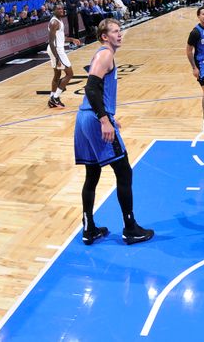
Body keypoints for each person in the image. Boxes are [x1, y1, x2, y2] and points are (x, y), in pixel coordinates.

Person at [74, 18, 154, 245]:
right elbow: (90, 87)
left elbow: (98, 90)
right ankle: (130, 228)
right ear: (104, 36)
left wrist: (109, 116)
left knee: (93, 173)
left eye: (120, 30)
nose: (120, 34)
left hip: (85, 117)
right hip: (93, 118)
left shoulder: (104, 55)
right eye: (115, 31)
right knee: (124, 172)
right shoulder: (105, 54)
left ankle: (88, 228)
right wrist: (103, 120)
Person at [47, 4, 81, 108]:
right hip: (56, 50)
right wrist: (57, 58)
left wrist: (72, 39)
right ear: (54, 11)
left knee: (57, 75)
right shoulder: (54, 22)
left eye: (62, 8)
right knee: (69, 74)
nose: (61, 10)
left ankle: (51, 98)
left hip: (55, 49)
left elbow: (60, 37)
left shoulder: (59, 20)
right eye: (58, 9)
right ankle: (56, 98)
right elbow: (51, 42)